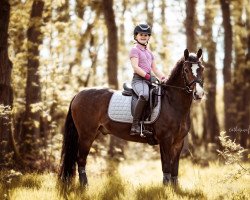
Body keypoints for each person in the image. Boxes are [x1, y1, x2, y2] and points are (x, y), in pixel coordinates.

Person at [129, 24, 167, 136]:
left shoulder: (149, 53)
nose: (143, 37)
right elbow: (136, 67)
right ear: (136, 36)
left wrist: (164, 78)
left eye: (146, 35)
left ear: (149, 37)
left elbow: (155, 68)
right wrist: (148, 77)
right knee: (144, 95)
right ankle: (135, 125)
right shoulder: (134, 50)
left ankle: (147, 124)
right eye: (141, 35)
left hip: (148, 80)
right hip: (138, 80)